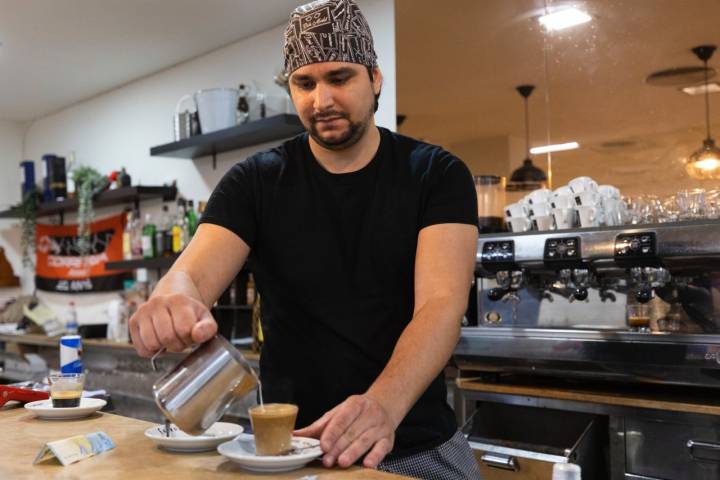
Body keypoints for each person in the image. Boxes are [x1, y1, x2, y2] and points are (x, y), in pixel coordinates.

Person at [129, 0, 481, 478]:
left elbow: (441, 306)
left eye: (339, 78)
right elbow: (190, 274)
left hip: (411, 448)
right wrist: (171, 301)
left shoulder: (435, 174)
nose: (322, 100)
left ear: (374, 79)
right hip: (288, 455)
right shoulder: (254, 182)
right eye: (304, 83)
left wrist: (382, 406)